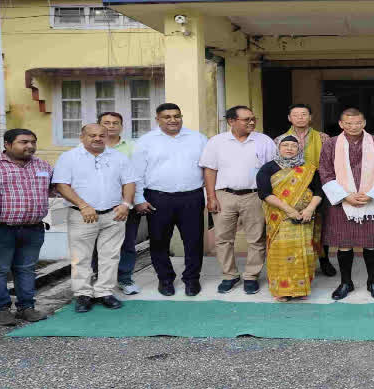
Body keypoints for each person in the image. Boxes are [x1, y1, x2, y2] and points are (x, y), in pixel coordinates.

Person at [53, 124, 137, 313]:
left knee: (111, 256)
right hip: (82, 215)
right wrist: (83, 205)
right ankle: (83, 294)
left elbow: (129, 182)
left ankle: (104, 292)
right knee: (80, 257)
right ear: (82, 137)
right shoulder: (69, 157)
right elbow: (62, 185)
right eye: (92, 135)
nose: (97, 139)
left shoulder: (118, 157)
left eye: (101, 135)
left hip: (114, 214)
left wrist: (126, 204)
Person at [0, 129, 53, 326]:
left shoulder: (43, 165)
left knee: (26, 269)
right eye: (23, 142)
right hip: (1, 228)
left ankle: (26, 307)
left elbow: (54, 189)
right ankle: (1, 309)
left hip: (33, 228)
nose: (30, 146)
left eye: (33, 142)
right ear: (7, 144)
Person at [131, 103, 209, 297]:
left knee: (194, 241)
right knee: (159, 241)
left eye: (176, 116)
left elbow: (209, 169)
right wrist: (139, 199)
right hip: (158, 198)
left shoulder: (198, 139)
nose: (173, 120)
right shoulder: (146, 141)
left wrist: (208, 197)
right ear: (157, 119)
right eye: (167, 117)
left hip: (192, 197)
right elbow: (136, 173)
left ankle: (192, 280)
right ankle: (165, 280)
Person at [318, 107, 374, 300]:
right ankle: (346, 282)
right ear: (341, 124)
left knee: (371, 244)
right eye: (349, 123)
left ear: (364, 123)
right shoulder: (331, 144)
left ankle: (373, 282)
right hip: (341, 202)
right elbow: (325, 172)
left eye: (358, 123)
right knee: (344, 245)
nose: (354, 126)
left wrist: (372, 194)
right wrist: (345, 196)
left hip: (371, 201)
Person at [201, 106, 276, 296]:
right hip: (224, 195)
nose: (251, 122)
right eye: (246, 119)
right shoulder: (217, 142)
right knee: (223, 238)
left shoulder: (264, 141)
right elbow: (210, 170)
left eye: (253, 118)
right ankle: (229, 275)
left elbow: (274, 170)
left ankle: (251, 276)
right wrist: (211, 197)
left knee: (256, 238)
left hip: (255, 195)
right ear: (231, 121)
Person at [257, 136, 324, 301]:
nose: (289, 148)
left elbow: (319, 192)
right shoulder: (268, 168)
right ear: (278, 148)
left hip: (306, 218)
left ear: (299, 149)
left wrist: (309, 209)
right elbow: (264, 193)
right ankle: (282, 290)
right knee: (280, 251)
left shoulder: (309, 168)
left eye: (293, 146)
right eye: (285, 145)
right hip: (279, 217)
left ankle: (301, 289)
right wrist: (289, 210)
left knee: (303, 251)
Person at [90, 110, 144, 296]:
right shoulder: (89, 147)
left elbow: (137, 177)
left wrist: (135, 202)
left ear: (121, 126)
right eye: (106, 122)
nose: (111, 126)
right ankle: (100, 279)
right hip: (97, 205)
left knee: (127, 243)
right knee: (98, 245)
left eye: (115, 123)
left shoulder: (132, 147)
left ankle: (124, 278)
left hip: (125, 204)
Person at [282, 103, 336, 277]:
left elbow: (331, 162)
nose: (300, 118)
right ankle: (297, 261)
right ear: (289, 118)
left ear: (310, 117)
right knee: (292, 224)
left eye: (304, 114)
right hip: (289, 188)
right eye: (296, 115)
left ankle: (324, 259)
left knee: (322, 224)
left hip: (318, 187)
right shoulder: (280, 139)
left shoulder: (323, 138)